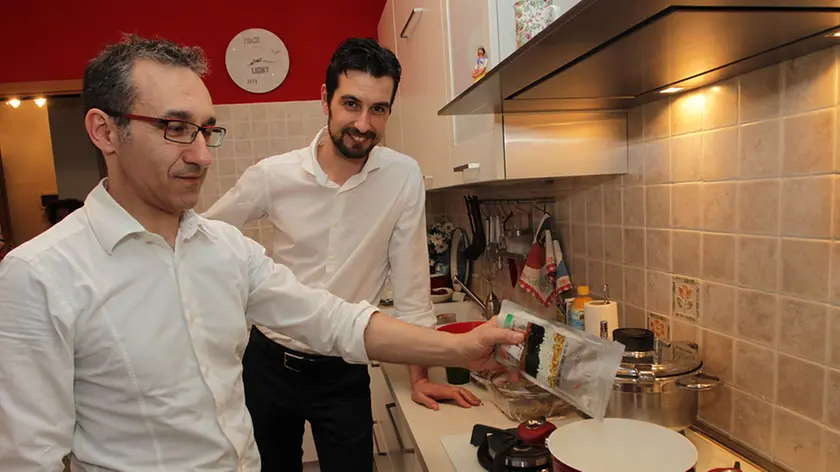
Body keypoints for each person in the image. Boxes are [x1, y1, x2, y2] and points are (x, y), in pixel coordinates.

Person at [0, 35, 524, 472]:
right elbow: (29, 457)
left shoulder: (223, 250)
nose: (203, 155)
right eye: (177, 128)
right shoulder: (39, 274)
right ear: (104, 131)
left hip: (332, 381)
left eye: (207, 131)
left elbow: (335, 320)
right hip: (271, 365)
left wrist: (454, 350)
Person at [204, 37, 479, 472]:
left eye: (379, 109)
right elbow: (205, 237)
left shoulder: (402, 176)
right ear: (325, 100)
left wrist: (421, 376)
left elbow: (411, 285)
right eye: (351, 103)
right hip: (269, 364)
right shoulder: (274, 175)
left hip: (344, 368)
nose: (364, 123)